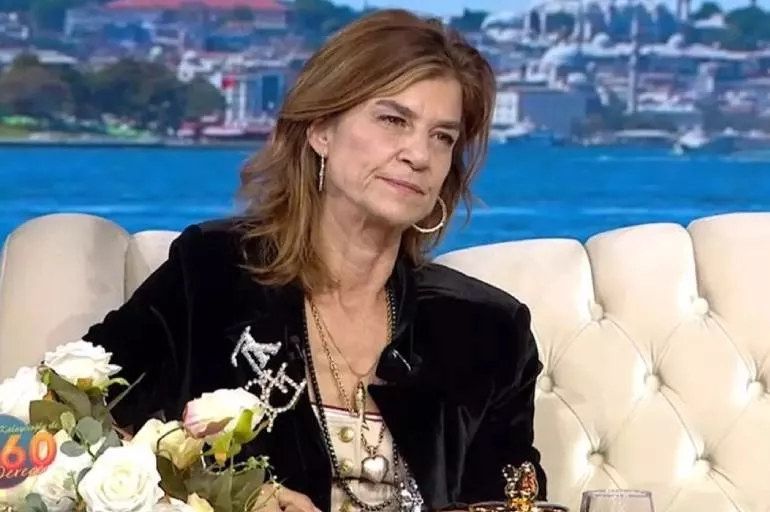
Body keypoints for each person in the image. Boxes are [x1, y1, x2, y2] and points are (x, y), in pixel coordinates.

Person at [82, 8, 546, 512]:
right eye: (394, 120)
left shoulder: (489, 330)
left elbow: (515, 500)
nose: (420, 155)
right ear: (322, 129)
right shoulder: (211, 274)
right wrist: (225, 495)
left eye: (443, 137)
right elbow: (60, 427)